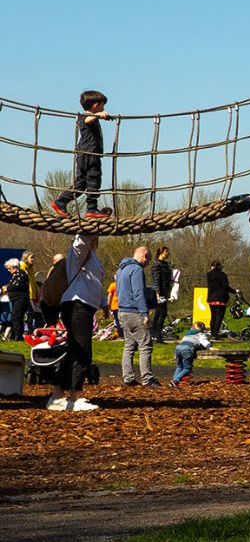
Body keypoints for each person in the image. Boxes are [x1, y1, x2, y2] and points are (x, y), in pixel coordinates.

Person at [53, 234, 107, 411]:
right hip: (77, 304)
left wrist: (104, 304)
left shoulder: (93, 257)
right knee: (83, 350)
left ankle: (57, 396)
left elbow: (96, 281)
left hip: (83, 305)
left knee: (74, 349)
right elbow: (79, 245)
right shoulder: (79, 254)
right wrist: (89, 227)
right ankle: (75, 397)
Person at [51, 90, 113, 219]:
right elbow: (88, 120)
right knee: (94, 180)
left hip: (86, 155)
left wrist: (100, 116)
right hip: (89, 155)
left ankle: (61, 202)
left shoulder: (89, 117)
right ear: (95, 106)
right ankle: (92, 209)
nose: (103, 108)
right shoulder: (85, 117)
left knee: (82, 183)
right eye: (102, 105)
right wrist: (100, 115)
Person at [114, 245, 157, 386]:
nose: (147, 263)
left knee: (129, 345)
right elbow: (138, 293)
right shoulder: (136, 269)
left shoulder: (121, 269)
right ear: (144, 255)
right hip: (134, 311)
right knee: (146, 344)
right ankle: (147, 378)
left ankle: (128, 377)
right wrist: (145, 313)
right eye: (148, 260)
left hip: (122, 311)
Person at [170, 322, 211, 386]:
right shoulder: (200, 334)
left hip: (178, 348)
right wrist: (209, 347)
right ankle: (175, 380)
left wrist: (175, 354)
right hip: (187, 349)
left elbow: (181, 342)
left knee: (179, 367)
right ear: (202, 329)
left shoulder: (187, 334)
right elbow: (204, 341)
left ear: (192, 328)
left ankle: (173, 381)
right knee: (187, 368)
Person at [147, 246, 174, 340]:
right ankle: (157, 335)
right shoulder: (156, 265)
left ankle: (154, 334)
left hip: (165, 291)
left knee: (159, 313)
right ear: (161, 252)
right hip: (159, 292)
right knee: (162, 313)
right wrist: (158, 294)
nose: (168, 253)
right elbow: (156, 280)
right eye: (166, 251)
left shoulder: (166, 265)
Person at [204, 261, 232, 337]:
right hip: (221, 298)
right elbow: (225, 287)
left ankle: (213, 333)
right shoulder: (222, 275)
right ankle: (215, 335)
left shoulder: (209, 275)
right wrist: (234, 291)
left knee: (213, 317)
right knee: (219, 318)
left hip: (211, 298)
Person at [4, 257, 26, 341]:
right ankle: (15, 335)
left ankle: (18, 336)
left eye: (9, 268)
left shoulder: (21, 274)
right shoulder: (15, 275)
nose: (8, 270)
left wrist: (7, 288)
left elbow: (15, 285)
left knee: (16, 317)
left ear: (14, 267)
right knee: (16, 317)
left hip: (20, 299)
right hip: (15, 299)